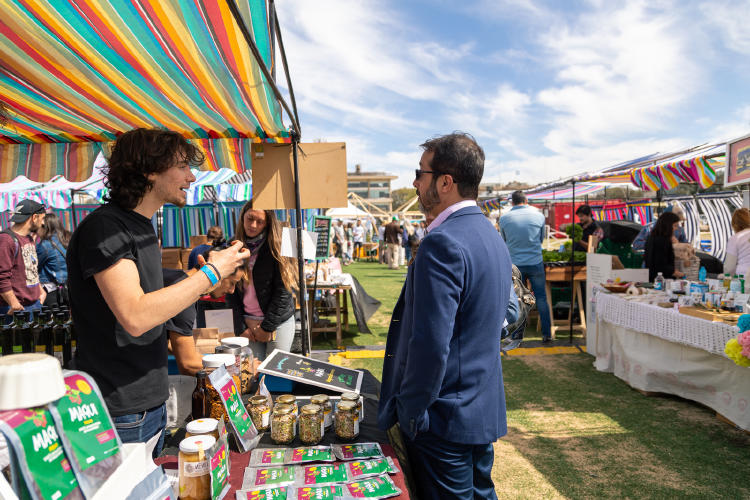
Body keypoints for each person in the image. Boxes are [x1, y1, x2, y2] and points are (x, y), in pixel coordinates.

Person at [66, 128, 249, 457]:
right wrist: (211, 272)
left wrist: (199, 279)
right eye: (182, 166)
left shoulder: (141, 226)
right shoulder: (106, 228)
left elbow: (152, 298)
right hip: (119, 409)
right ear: (149, 169)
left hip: (148, 402)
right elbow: (136, 316)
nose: (191, 177)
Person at [378, 133, 512, 498]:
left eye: (420, 173)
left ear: (445, 182)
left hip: (444, 418)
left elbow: (430, 343)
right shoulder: (489, 232)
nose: (415, 182)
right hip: (476, 407)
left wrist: (412, 410)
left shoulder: (444, 241)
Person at [225, 200, 297, 361]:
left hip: (278, 322)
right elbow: (229, 291)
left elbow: (283, 291)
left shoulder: (276, 246)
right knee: (251, 374)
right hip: (247, 323)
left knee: (276, 372)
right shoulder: (232, 246)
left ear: (267, 224)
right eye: (250, 218)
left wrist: (267, 327)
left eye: (260, 221)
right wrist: (241, 327)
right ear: (242, 216)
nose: (254, 225)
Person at [500, 191, 553, 342]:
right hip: (535, 262)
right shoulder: (539, 216)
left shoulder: (504, 218)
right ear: (526, 200)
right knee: (541, 298)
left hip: (515, 264)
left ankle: (516, 335)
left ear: (512, 202)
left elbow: (504, 241)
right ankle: (547, 334)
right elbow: (541, 238)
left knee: (517, 299)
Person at [0, 200, 46, 322]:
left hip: (33, 305)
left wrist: (40, 291)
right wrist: (14, 303)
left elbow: (30, 269)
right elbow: (2, 276)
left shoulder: (29, 238)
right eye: (42, 218)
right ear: (34, 217)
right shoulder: (6, 240)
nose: (43, 223)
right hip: (15, 309)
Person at [36, 212, 71, 307]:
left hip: (51, 291)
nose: (36, 230)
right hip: (68, 288)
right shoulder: (68, 239)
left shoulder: (45, 245)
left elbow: (33, 267)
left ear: (45, 227)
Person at [644, 211, 685, 281]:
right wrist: (674, 272)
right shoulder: (663, 240)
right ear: (667, 225)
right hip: (662, 280)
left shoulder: (651, 237)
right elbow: (660, 263)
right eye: (675, 225)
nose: (676, 228)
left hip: (651, 277)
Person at [724, 208, 750, 277]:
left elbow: (729, 268)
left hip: (744, 280)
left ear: (735, 224)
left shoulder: (736, 238)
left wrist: (724, 276)